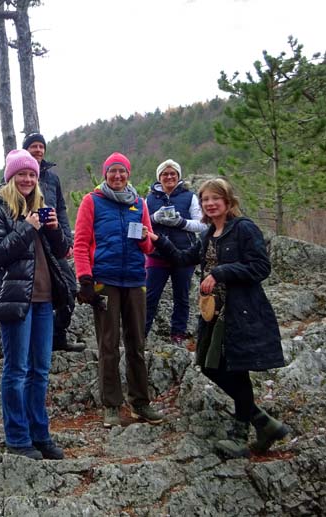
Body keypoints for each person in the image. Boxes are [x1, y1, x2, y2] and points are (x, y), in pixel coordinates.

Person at [149, 178, 289, 458]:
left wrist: (221, 272)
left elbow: (260, 267)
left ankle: (241, 435)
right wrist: (158, 240)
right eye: (205, 200)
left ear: (227, 201)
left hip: (241, 312)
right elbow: (182, 258)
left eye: (215, 198)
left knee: (236, 369)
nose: (210, 204)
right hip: (214, 315)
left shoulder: (243, 228)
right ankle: (264, 423)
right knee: (211, 366)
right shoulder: (208, 234)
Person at [0, 149, 70, 460]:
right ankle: (17, 438)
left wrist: (54, 230)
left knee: (40, 371)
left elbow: (61, 252)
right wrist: (27, 227)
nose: (28, 179)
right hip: (16, 301)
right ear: (10, 178)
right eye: (22, 174)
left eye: (32, 174)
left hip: (44, 299)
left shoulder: (40, 207)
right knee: (16, 370)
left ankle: (40, 434)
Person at [73, 152, 164, 428]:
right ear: (105, 174)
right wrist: (85, 279)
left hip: (136, 279)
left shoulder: (139, 203)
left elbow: (148, 247)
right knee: (109, 344)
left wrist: (148, 240)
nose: (117, 176)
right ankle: (111, 405)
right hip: (105, 280)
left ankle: (140, 403)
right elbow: (80, 242)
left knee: (137, 343)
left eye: (122, 172)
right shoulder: (92, 201)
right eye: (112, 171)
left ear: (128, 174)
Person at [22, 132, 83, 352]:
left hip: (54, 242)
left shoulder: (52, 178)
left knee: (68, 288)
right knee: (31, 293)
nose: (38, 150)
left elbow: (61, 209)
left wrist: (66, 239)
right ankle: (31, 341)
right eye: (33, 146)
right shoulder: (19, 175)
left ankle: (58, 335)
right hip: (29, 243)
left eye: (41, 146)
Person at [145, 159, 208, 346]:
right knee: (150, 296)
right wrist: (154, 218)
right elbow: (142, 224)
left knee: (181, 297)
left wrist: (181, 223)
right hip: (156, 254)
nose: (169, 177)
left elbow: (202, 224)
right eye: (165, 174)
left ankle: (178, 334)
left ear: (179, 176)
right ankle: (141, 333)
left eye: (173, 173)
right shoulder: (149, 199)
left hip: (184, 254)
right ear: (159, 177)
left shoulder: (190, 197)